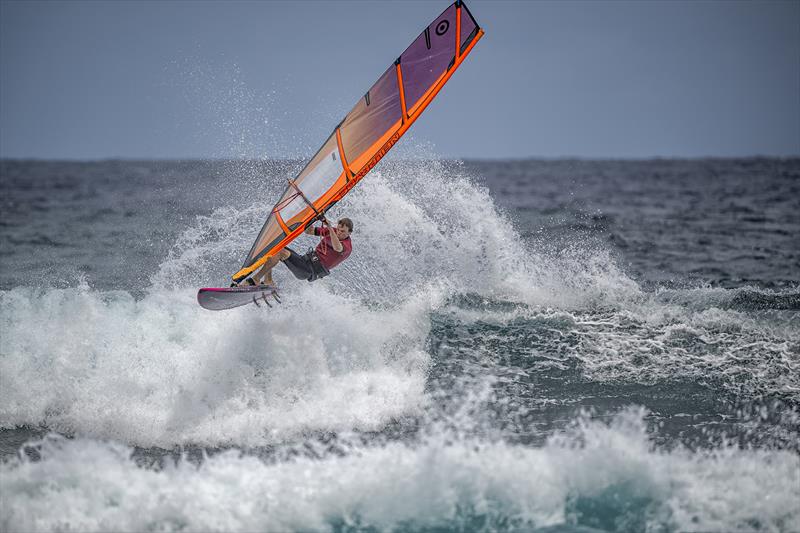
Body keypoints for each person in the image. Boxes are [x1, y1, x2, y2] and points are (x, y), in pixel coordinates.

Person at [245, 217, 353, 287]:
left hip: (310, 271)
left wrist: (329, 227)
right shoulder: (333, 231)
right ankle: (268, 280)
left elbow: (337, 247)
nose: (338, 232)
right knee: (275, 247)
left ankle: (256, 279)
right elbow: (309, 231)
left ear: (349, 233)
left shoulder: (347, 246)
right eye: (338, 229)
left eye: (342, 231)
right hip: (305, 261)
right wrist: (313, 217)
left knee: (280, 252)